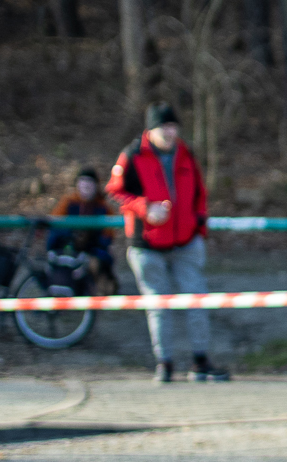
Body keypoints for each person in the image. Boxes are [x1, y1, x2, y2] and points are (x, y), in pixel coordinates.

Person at [107, 103, 231, 383]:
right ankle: (164, 363)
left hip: (186, 243)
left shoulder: (186, 154)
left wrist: (200, 227)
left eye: (173, 127)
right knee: (158, 306)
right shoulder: (132, 155)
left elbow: (200, 192)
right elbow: (115, 191)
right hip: (147, 246)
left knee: (196, 300)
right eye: (164, 127)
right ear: (151, 129)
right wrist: (144, 208)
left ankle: (201, 361)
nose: (169, 132)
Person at [45, 168, 118, 295]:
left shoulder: (103, 207)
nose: (86, 186)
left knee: (95, 263)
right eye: (82, 182)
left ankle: (97, 292)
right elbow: (55, 224)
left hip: (93, 249)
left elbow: (107, 236)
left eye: (89, 183)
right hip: (69, 247)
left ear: (96, 185)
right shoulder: (68, 203)